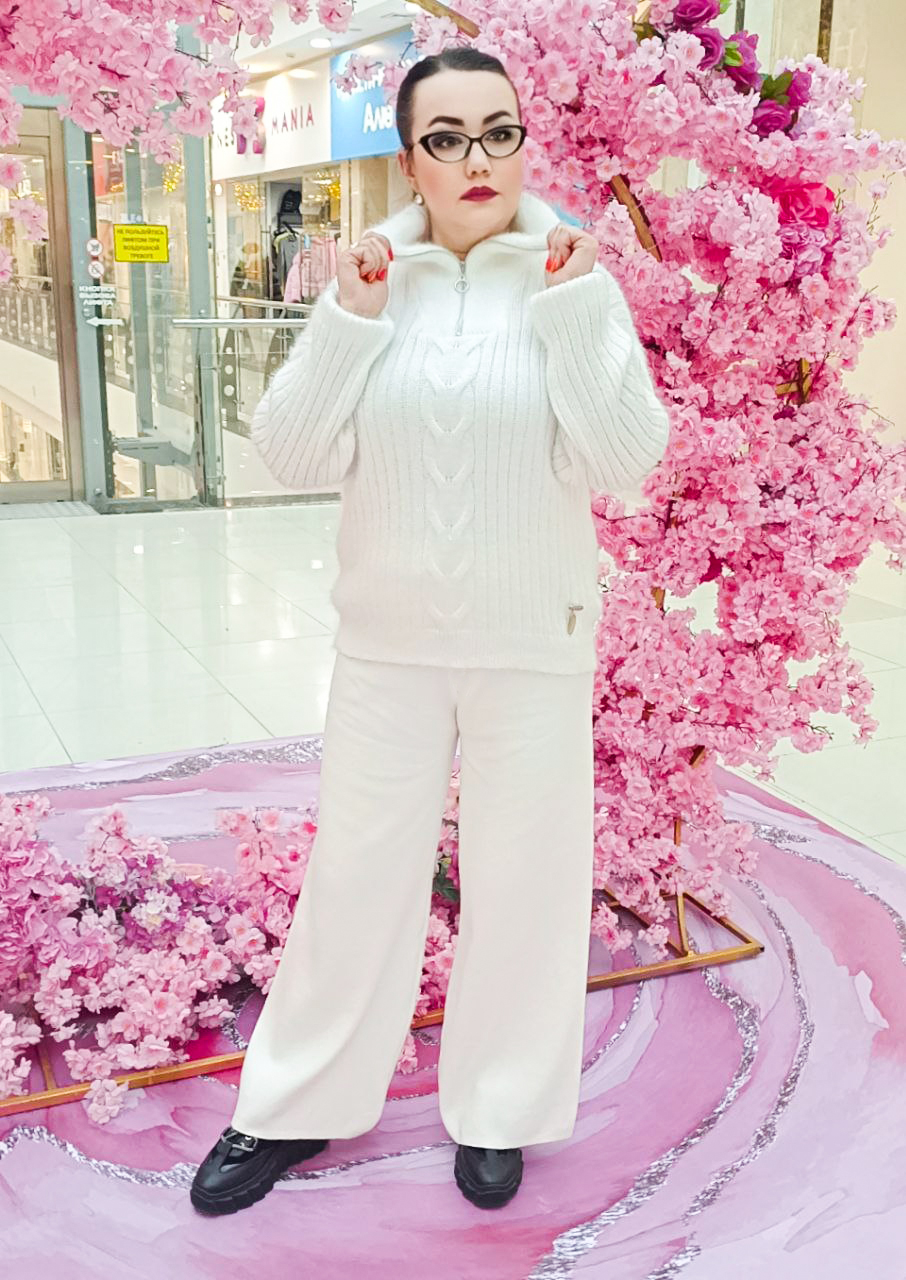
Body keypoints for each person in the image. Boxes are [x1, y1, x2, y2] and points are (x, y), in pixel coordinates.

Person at [191, 46, 670, 1217]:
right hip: (387, 646)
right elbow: (291, 453)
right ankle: (296, 1101)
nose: (477, 159)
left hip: (533, 643)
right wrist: (350, 321)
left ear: (523, 141)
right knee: (357, 874)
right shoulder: (370, 278)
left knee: (527, 883)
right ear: (408, 159)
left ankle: (500, 1109)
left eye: (499, 131)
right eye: (446, 138)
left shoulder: (573, 278)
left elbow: (627, 460)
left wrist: (571, 313)